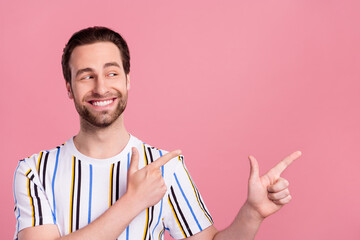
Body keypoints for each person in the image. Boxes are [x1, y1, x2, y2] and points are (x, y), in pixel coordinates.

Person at [13, 26, 301, 240]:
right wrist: (134, 202)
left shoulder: (164, 168)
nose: (101, 87)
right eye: (86, 76)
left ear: (127, 80)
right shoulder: (34, 171)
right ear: (69, 88)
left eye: (112, 73)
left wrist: (252, 213)